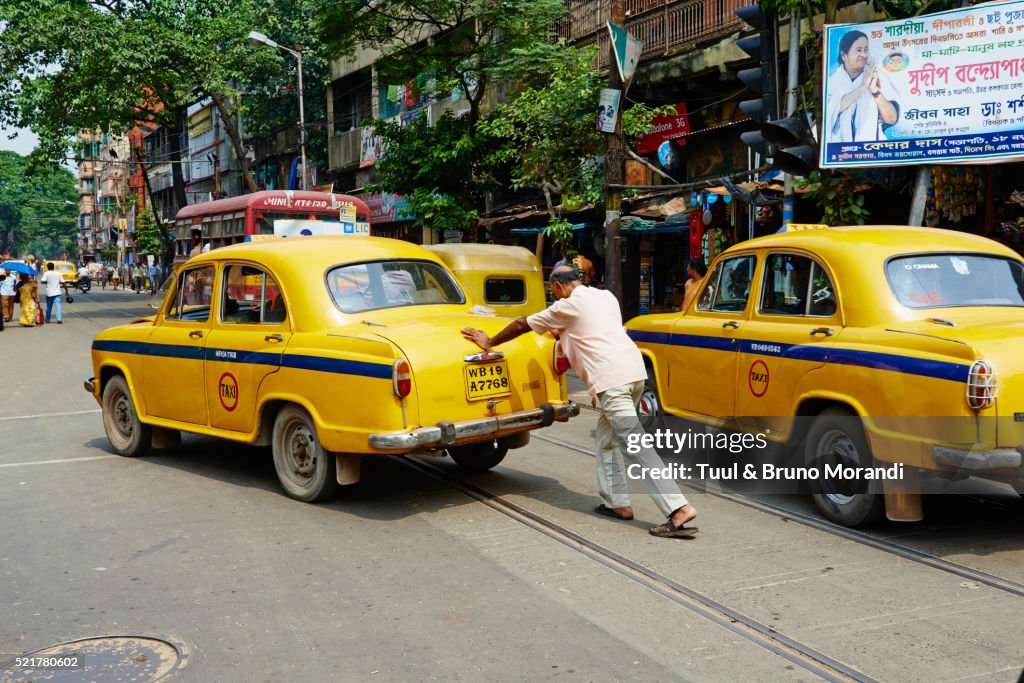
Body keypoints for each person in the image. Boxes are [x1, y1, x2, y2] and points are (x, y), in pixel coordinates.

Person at [461, 265, 700, 538]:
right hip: (634, 375)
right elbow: (583, 330)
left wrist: (489, 340)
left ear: (558, 287)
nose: (556, 300)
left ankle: (678, 508)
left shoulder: (567, 306)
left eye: (555, 294)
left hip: (613, 381)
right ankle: (616, 502)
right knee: (607, 440)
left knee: (635, 445)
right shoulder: (606, 297)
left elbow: (521, 324)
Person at [826, 29, 899, 143]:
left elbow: (891, 119)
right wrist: (863, 87)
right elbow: (830, 111)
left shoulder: (878, 76)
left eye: (866, 50)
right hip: (840, 153)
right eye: (858, 50)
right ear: (844, 55)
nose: (864, 55)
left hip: (872, 152)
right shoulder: (833, 81)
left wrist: (875, 90)